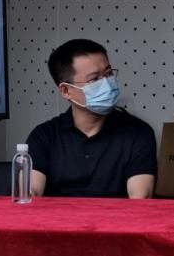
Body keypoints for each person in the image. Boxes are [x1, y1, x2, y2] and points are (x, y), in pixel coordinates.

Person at [25, 39, 157, 198]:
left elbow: (140, 198)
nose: (106, 83)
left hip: (118, 215)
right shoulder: (44, 136)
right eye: (94, 79)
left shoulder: (138, 133)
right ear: (66, 90)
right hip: (58, 215)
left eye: (108, 73)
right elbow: (30, 194)